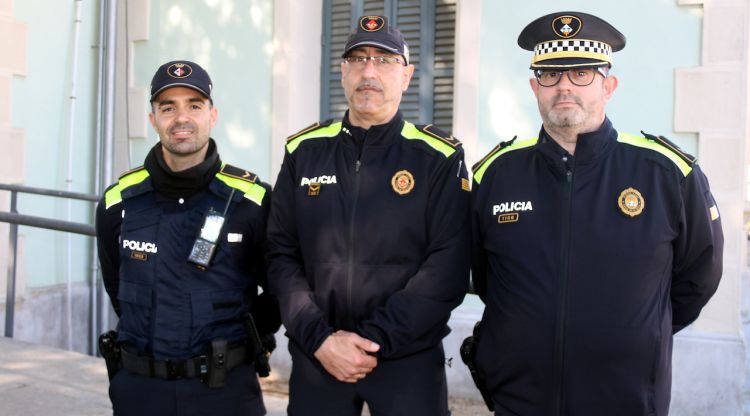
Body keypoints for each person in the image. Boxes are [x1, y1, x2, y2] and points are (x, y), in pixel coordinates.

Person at [468, 11, 724, 415]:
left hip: (626, 398)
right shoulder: (495, 174)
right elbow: (487, 278)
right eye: (550, 76)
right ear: (535, 87)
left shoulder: (667, 173)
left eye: (582, 74)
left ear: (609, 86)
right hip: (521, 399)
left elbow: (700, 275)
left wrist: (641, 330)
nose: (565, 86)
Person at [267, 15, 470, 416]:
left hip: (406, 361)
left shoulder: (439, 158)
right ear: (342, 72)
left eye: (385, 60)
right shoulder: (303, 152)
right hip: (318, 358)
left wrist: (373, 340)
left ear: (407, 75)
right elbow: (279, 253)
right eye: (358, 59)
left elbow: (448, 265)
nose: (369, 71)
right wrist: (321, 340)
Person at [95, 60, 279, 416]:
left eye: (194, 105)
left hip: (225, 392)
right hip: (140, 392)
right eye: (168, 107)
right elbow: (117, 287)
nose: (181, 118)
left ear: (212, 115)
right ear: (153, 119)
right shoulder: (118, 201)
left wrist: (235, 341)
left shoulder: (253, 201)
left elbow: (279, 291)